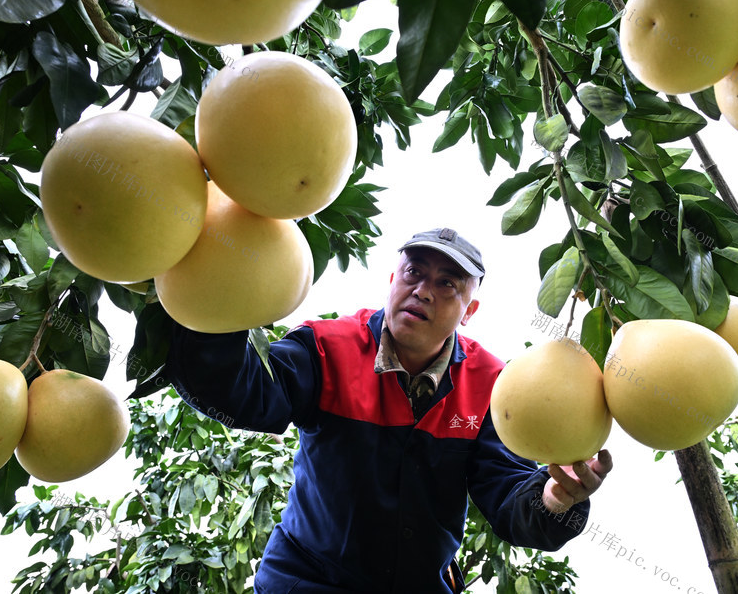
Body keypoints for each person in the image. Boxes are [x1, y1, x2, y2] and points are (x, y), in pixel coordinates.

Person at [164, 227, 613, 593]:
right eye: (414, 273)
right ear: (392, 281)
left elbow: (508, 494)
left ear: (469, 310)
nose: (423, 291)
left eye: (446, 284)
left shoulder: (493, 385)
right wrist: (206, 303)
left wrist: (552, 502)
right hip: (305, 582)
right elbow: (242, 393)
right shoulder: (326, 346)